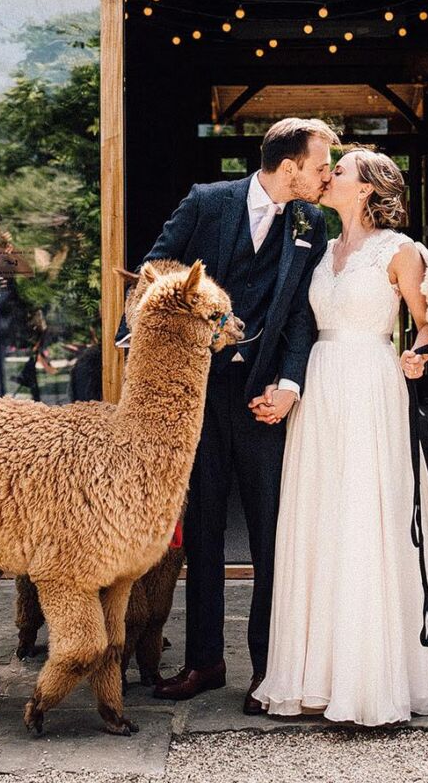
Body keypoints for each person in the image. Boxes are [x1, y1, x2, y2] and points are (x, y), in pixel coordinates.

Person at [255, 148, 428, 726]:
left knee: (370, 516)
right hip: (320, 388)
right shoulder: (319, 248)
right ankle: (316, 673)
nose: (328, 174)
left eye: (338, 170)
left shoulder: (400, 251)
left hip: (371, 384)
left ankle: (375, 675)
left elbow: (425, 322)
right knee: (321, 518)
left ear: (366, 188)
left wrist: (419, 353)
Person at [136, 118, 336, 714]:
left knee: (272, 533)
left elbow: (303, 313)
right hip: (196, 399)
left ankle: (268, 670)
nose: (326, 176)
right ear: (289, 166)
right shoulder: (208, 202)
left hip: (263, 400)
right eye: (321, 165)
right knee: (201, 532)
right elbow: (156, 272)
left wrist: (291, 385)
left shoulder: (311, 223)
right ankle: (204, 661)